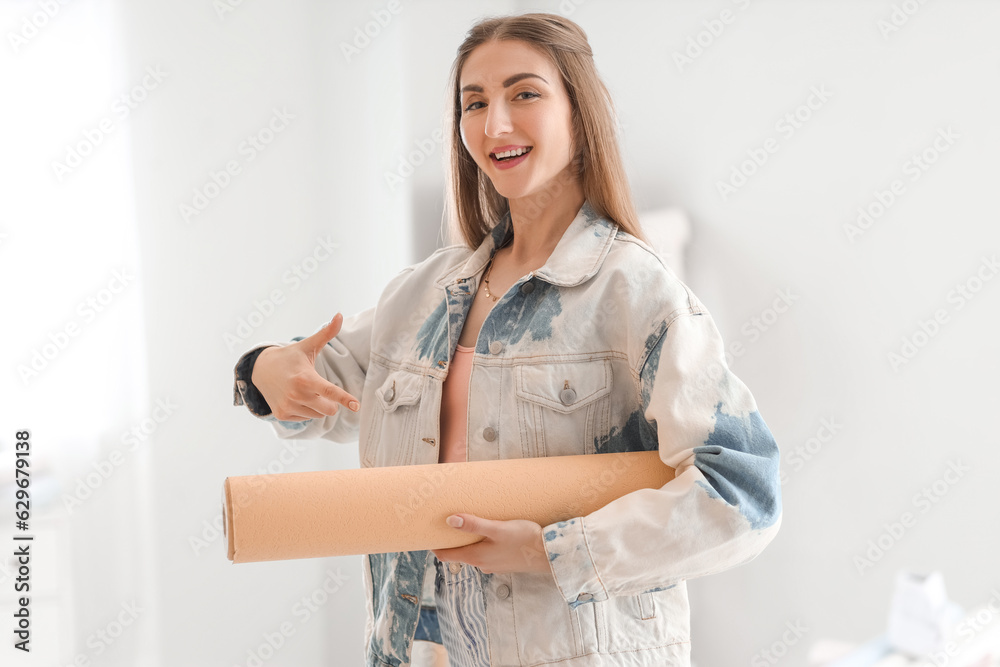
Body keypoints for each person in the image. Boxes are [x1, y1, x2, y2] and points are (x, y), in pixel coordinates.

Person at [232, 12, 782, 667]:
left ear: (578, 112)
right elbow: (320, 389)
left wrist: (550, 550)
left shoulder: (636, 292)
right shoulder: (423, 294)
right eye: (475, 103)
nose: (495, 125)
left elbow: (742, 494)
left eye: (524, 93)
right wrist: (263, 370)